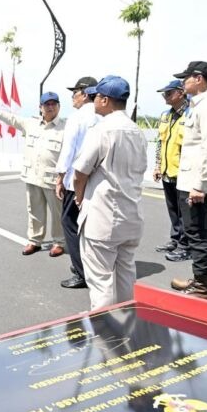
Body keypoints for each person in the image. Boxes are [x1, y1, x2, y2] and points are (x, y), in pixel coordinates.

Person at [73, 76, 147, 310]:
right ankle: (127, 324)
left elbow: (80, 172)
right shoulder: (137, 131)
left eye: (95, 97)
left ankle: (105, 336)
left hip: (103, 216)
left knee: (101, 279)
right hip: (131, 214)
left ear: (105, 100)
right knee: (126, 274)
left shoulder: (101, 130)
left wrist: (78, 195)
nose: (92, 101)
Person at [0, 92, 66, 256]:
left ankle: (59, 242)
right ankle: (35, 241)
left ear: (59, 106)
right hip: (32, 176)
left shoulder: (65, 127)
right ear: (40, 107)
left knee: (58, 213)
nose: (50, 107)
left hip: (53, 180)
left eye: (54, 103)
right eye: (47, 104)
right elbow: (11, 118)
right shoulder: (30, 123)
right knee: (34, 211)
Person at [169, 61, 207, 300]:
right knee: (202, 232)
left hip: (197, 184)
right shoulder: (201, 105)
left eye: (186, 78)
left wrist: (200, 184)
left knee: (198, 234)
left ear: (199, 78)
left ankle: (203, 287)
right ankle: (206, 281)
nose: (183, 82)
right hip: (194, 181)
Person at [55, 76, 99, 289]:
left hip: (76, 181)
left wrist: (59, 177)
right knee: (90, 226)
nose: (73, 97)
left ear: (84, 93)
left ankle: (81, 272)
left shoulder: (77, 117)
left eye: (75, 92)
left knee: (70, 223)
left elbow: (68, 151)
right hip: (97, 182)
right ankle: (89, 266)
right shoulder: (104, 116)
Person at [152, 79, 190, 262]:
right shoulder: (166, 116)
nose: (165, 97)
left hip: (184, 173)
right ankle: (175, 239)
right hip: (168, 171)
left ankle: (185, 244)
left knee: (185, 212)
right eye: (164, 94)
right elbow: (160, 142)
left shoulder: (190, 115)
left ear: (180, 93)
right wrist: (158, 165)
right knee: (173, 209)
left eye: (168, 93)